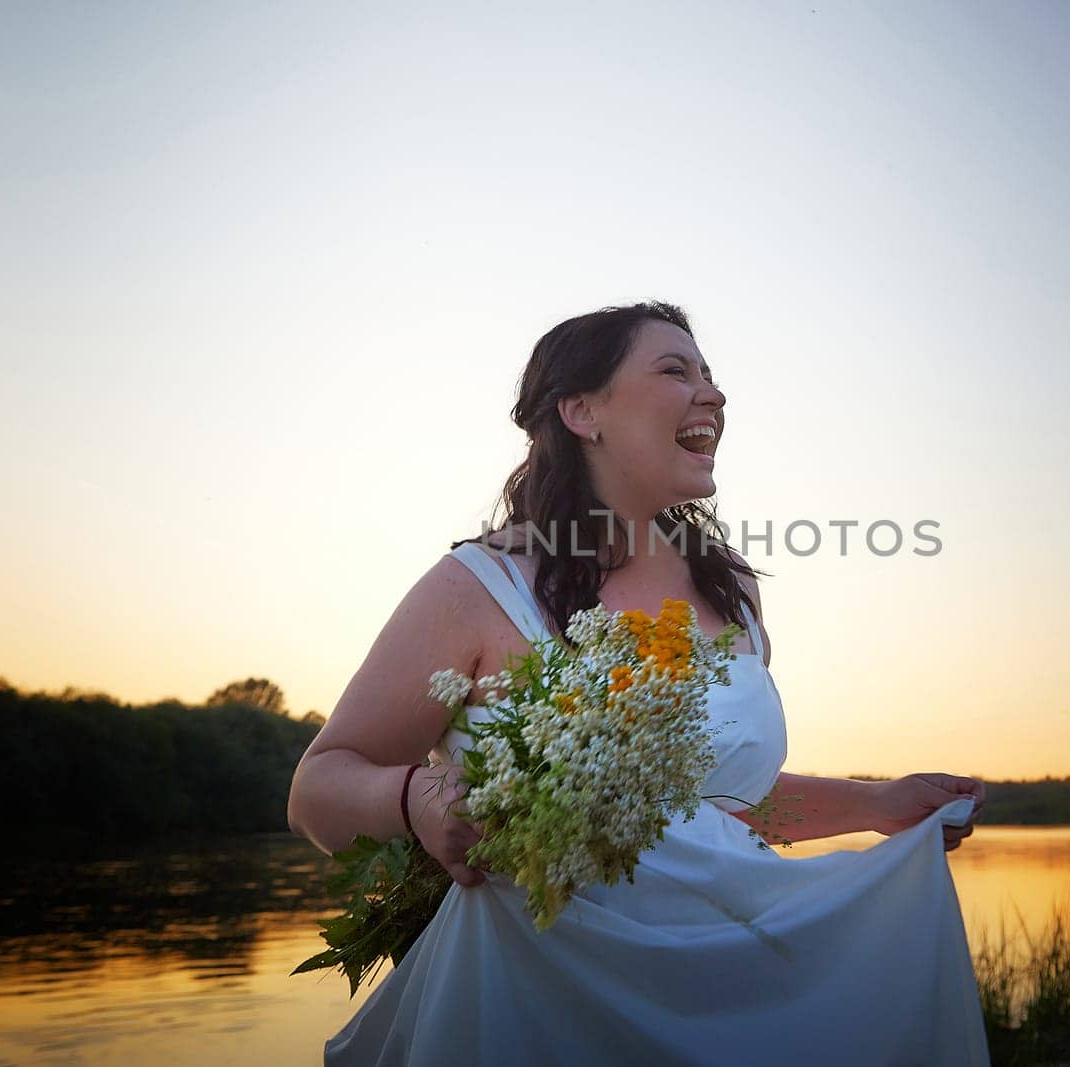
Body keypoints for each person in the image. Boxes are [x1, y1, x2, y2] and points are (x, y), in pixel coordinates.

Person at [287, 301, 992, 1065]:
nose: (712, 393)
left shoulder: (735, 591)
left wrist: (878, 803)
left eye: (711, 375)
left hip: (738, 993)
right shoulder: (478, 586)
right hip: (543, 1009)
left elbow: (711, 812)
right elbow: (317, 788)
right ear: (583, 410)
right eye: (674, 370)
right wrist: (418, 801)